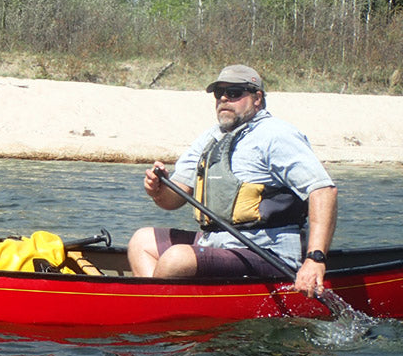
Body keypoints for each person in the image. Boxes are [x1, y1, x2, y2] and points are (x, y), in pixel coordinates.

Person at [126, 64, 337, 298]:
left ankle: (156, 312)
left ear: (257, 98)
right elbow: (171, 201)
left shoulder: (276, 136)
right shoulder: (210, 138)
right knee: (141, 241)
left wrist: (315, 259)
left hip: (267, 252)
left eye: (235, 93)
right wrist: (158, 190)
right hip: (215, 243)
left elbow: (323, 190)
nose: (224, 98)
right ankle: (158, 305)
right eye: (219, 94)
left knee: (176, 259)